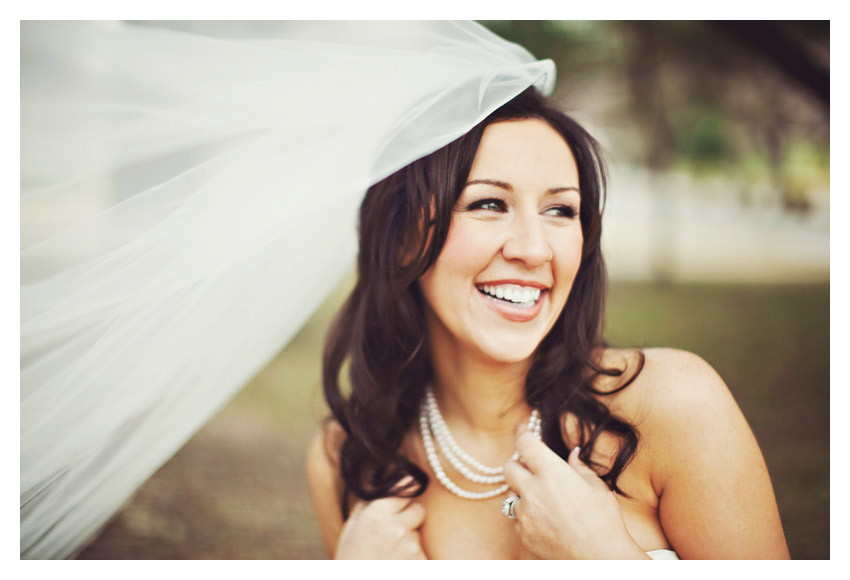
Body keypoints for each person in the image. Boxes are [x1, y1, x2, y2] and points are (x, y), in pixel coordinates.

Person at [307, 87, 790, 560]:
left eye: (560, 210)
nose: (534, 249)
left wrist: (602, 556)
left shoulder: (673, 405)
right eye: (489, 204)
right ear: (402, 237)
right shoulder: (345, 456)